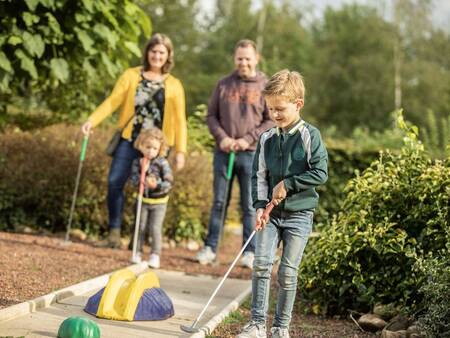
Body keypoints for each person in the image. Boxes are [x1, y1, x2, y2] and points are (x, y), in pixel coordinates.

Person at [237, 70, 328, 338]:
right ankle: (256, 325)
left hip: (300, 214)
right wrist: (259, 206)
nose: (275, 114)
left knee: (288, 272)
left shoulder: (310, 136)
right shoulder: (266, 138)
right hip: (271, 214)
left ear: (298, 104)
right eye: (271, 109)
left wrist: (288, 184)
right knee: (262, 264)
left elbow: (320, 172)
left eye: (281, 109)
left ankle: (280, 328)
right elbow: (259, 176)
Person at [81, 33, 187, 248]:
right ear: (147, 52)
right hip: (130, 140)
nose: (157, 56)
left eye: (161, 52)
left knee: (150, 189)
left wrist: (181, 151)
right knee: (115, 182)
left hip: (157, 146)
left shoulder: (174, 85)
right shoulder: (131, 75)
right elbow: (112, 102)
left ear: (168, 56)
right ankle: (114, 233)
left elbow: (180, 121)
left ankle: (137, 240)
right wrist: (92, 121)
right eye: (153, 51)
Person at [195, 39, 273, 268]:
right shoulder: (223, 84)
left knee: (249, 205)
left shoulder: (265, 85)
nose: (243, 62)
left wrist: (247, 139)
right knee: (219, 202)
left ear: (256, 58)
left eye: (248, 58)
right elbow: (211, 116)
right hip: (224, 153)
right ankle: (210, 248)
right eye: (240, 58)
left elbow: (270, 120)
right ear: (234, 59)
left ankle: (249, 252)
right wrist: (224, 138)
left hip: (251, 155)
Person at [130, 128, 173, 269]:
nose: (150, 151)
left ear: (160, 149)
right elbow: (133, 180)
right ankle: (137, 252)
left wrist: (157, 184)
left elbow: (169, 183)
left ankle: (155, 255)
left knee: (155, 228)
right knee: (140, 226)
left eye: (154, 148)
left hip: (159, 202)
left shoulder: (162, 163)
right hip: (143, 200)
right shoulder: (138, 162)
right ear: (141, 145)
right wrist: (142, 178)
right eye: (147, 147)